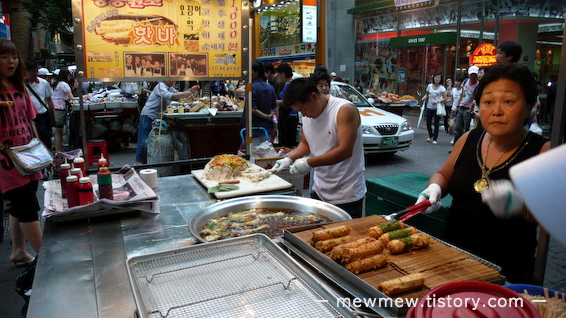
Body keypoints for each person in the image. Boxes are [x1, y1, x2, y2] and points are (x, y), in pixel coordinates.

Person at [415, 64, 550, 283]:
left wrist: (519, 205)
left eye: (508, 101)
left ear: (528, 107)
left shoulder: (543, 151)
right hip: (453, 259)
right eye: (488, 102)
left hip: (507, 271)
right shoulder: (468, 139)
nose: (496, 110)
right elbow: (445, 175)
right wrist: (434, 188)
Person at [270, 78, 366, 218]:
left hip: (346, 192)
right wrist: (289, 158)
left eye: (303, 109)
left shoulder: (343, 110)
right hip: (319, 189)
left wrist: (309, 163)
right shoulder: (307, 114)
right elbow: (306, 142)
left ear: (314, 97)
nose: (303, 114)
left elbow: (345, 150)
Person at [0, 38, 43, 265]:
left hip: (29, 154)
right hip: (6, 158)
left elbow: (30, 119)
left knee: (20, 204)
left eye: (14, 57)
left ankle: (18, 250)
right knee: (27, 206)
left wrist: (38, 146)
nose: (11, 61)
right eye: (4, 56)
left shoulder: (19, 87)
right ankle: (48, 260)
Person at [135, 81, 199, 164]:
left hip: (156, 116)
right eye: (172, 79)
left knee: (151, 139)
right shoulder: (161, 86)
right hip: (148, 115)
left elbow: (178, 94)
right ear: (166, 79)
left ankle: (148, 161)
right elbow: (170, 96)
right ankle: (139, 162)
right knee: (144, 140)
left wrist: (190, 91)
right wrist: (189, 91)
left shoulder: (169, 87)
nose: (174, 81)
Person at [240, 61, 278, 140]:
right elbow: (275, 108)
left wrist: (267, 117)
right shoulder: (270, 87)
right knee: (265, 150)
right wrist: (275, 126)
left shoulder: (251, 87)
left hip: (251, 128)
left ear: (255, 72)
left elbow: (253, 109)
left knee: (250, 149)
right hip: (267, 129)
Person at [25, 60, 56, 150]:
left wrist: (54, 115)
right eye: (33, 71)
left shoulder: (43, 83)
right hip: (28, 117)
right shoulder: (20, 84)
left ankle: (48, 159)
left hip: (42, 115)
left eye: (36, 71)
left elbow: (49, 99)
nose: (35, 73)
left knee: (45, 138)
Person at [453, 65, 479, 144]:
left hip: (468, 109)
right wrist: (457, 106)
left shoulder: (478, 85)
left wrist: (471, 109)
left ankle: (463, 146)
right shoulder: (465, 81)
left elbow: (476, 98)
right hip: (461, 106)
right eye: (471, 75)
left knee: (466, 128)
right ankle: (456, 146)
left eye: (474, 75)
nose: (473, 77)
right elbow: (462, 94)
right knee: (457, 128)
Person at [51, 67, 75, 151]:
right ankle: (59, 151)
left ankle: (59, 150)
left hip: (53, 108)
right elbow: (72, 98)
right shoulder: (64, 84)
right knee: (58, 131)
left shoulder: (55, 83)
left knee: (57, 131)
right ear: (67, 75)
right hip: (60, 108)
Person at [275, 63, 298, 147]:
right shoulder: (293, 83)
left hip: (287, 117)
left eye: (279, 75)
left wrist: (273, 101)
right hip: (292, 116)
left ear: (283, 73)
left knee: (285, 142)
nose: (279, 77)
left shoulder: (288, 85)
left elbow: (286, 102)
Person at [422, 73, 446, 144]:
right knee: (428, 123)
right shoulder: (429, 86)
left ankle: (435, 138)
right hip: (429, 107)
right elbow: (427, 94)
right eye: (436, 77)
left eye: (439, 77)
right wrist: (424, 98)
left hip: (437, 108)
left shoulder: (442, 88)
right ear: (433, 78)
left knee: (436, 123)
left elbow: (445, 98)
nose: (437, 79)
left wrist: (437, 101)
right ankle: (430, 135)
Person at [448, 77, 464, 143]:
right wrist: (443, 100)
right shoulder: (453, 90)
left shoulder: (463, 90)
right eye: (456, 81)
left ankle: (456, 138)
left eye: (458, 81)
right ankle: (455, 136)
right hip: (453, 109)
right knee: (451, 125)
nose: (456, 83)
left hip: (459, 109)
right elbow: (451, 99)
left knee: (458, 126)